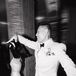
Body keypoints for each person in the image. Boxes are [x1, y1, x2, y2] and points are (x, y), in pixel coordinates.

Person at [5, 24, 76, 76]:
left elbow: (70, 67)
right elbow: (26, 42)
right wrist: (16, 36)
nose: (36, 34)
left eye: (38, 32)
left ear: (46, 32)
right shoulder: (38, 44)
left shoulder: (57, 47)